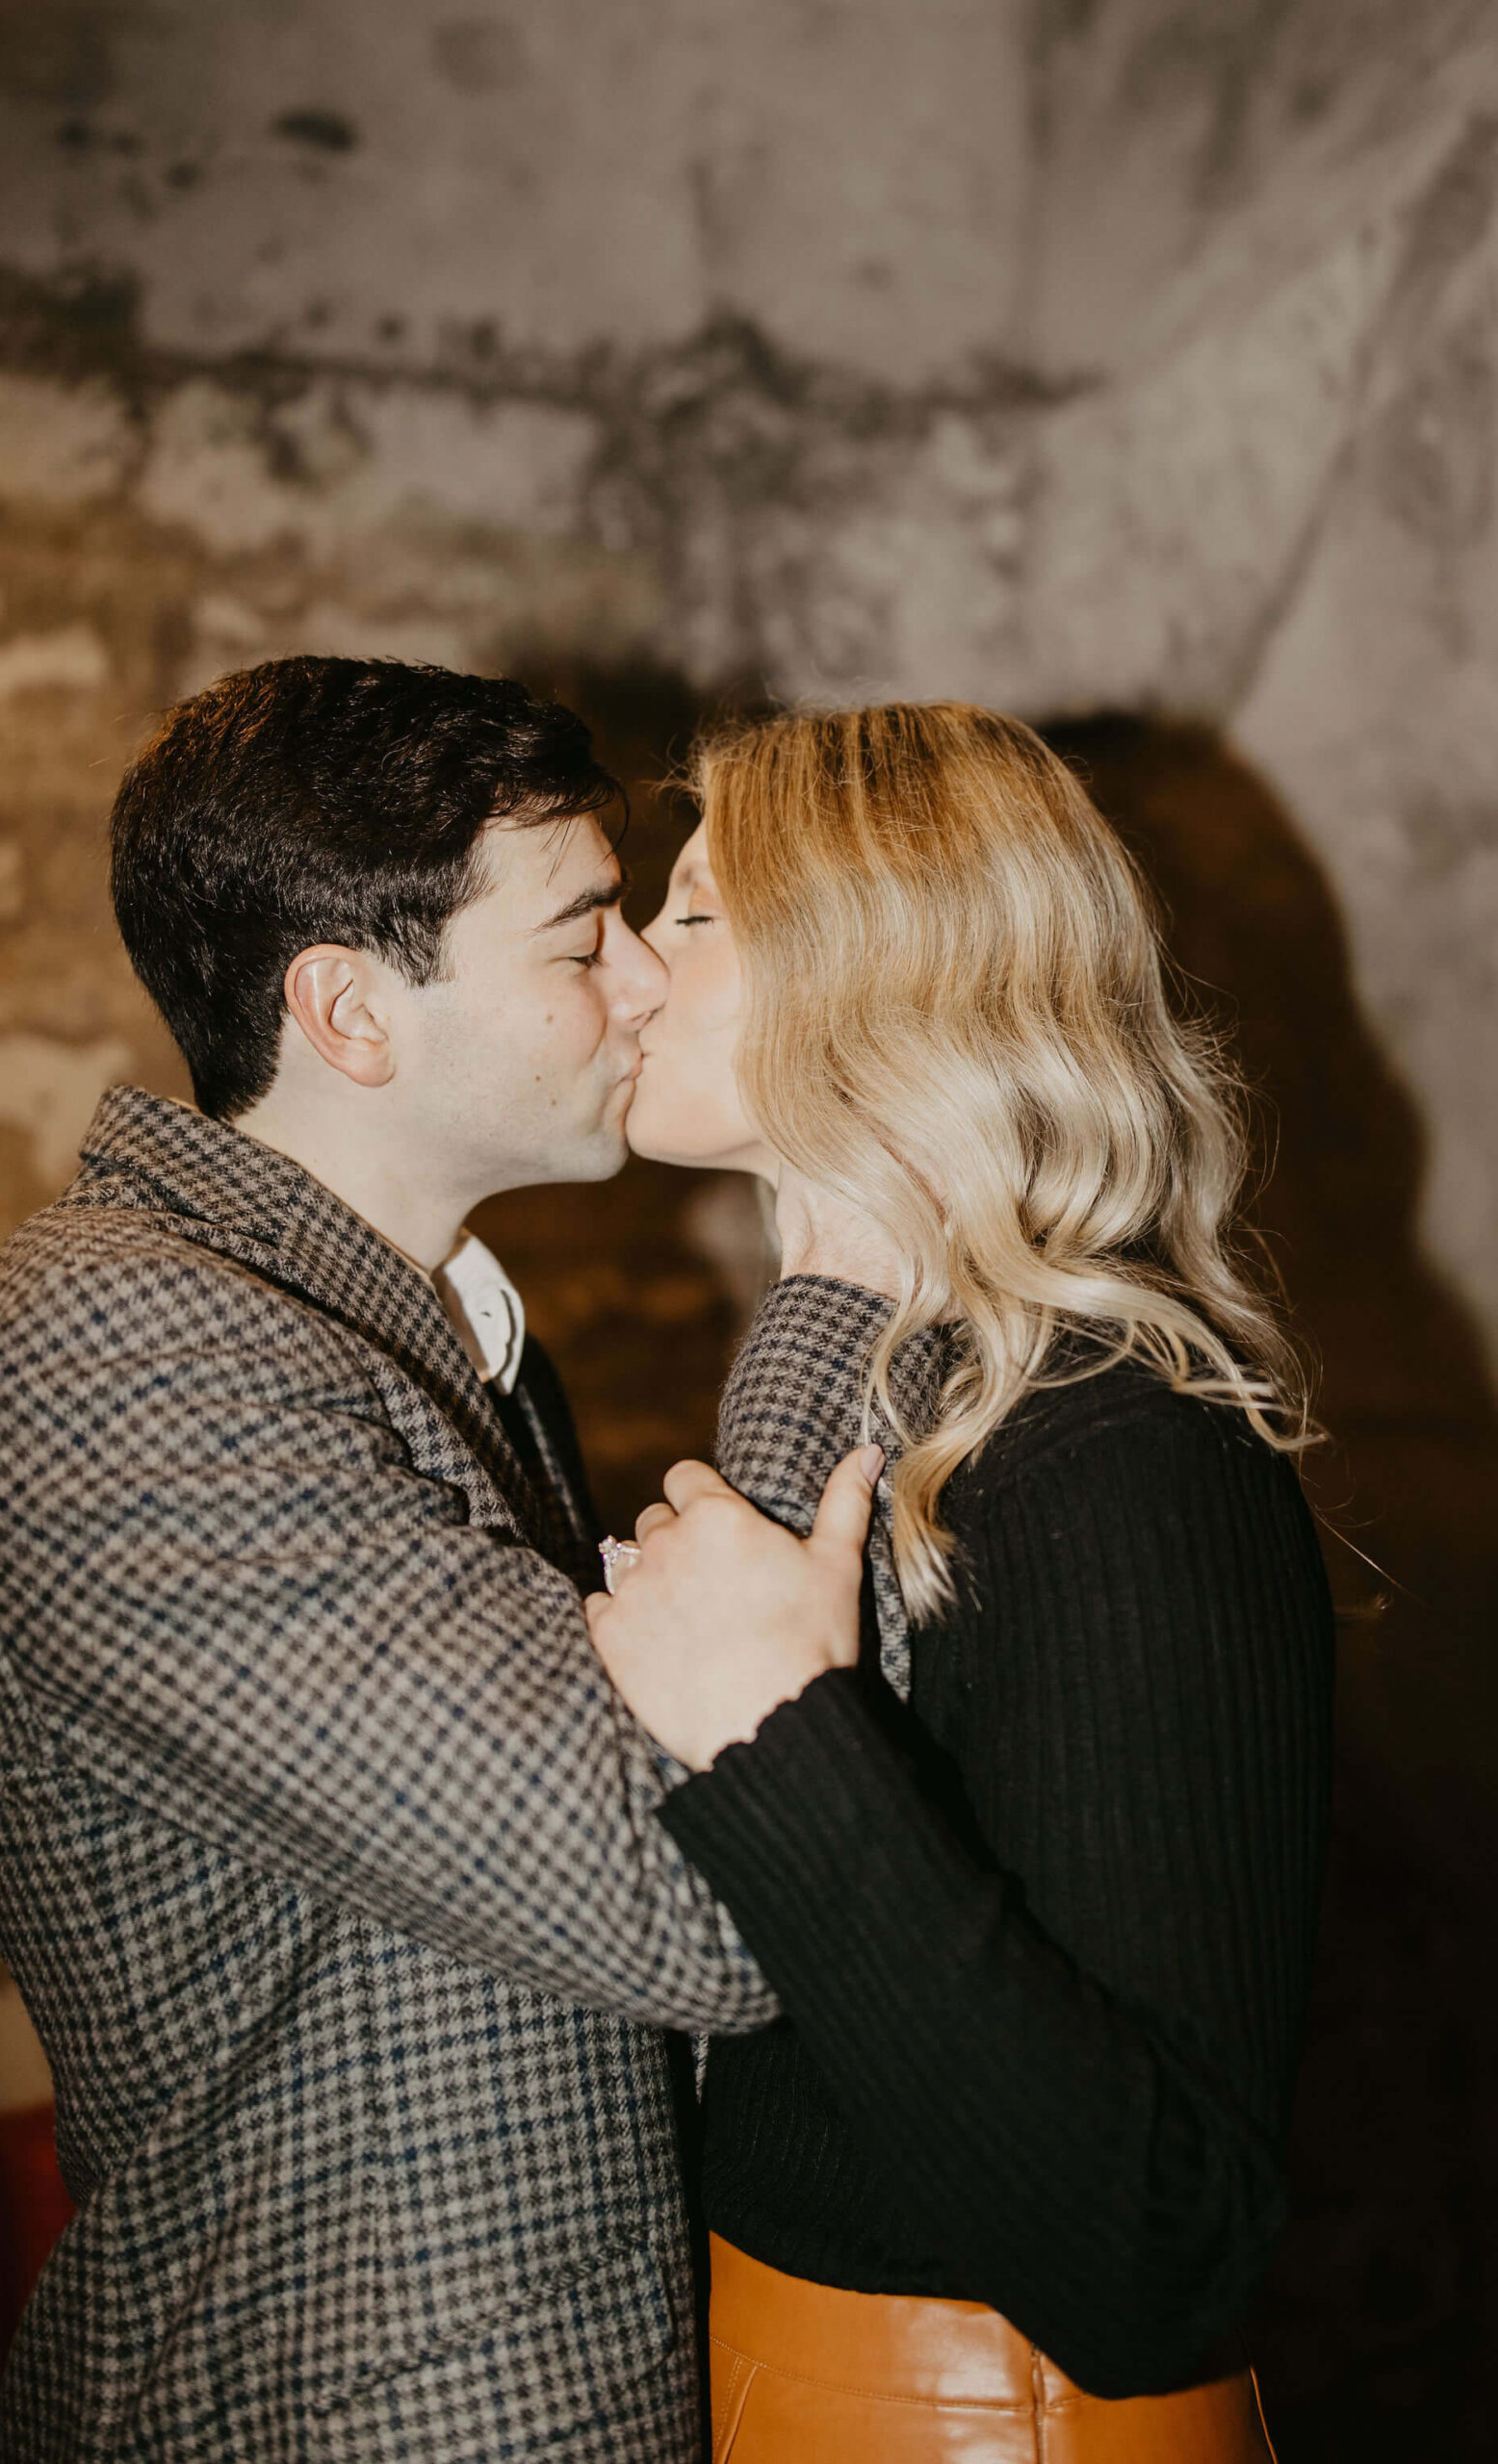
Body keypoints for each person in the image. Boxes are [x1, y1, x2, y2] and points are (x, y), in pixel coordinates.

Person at [0, 657, 883, 2464]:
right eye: (588, 937)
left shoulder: (399, 1334)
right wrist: (838, 1283)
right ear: (353, 1012)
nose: (652, 977)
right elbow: (717, 1889)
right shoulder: (122, 1354)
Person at [588, 701, 1333, 2462]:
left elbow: (1165, 2248)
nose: (625, 961)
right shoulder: (899, 1396)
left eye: (693, 912)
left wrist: (778, 1729)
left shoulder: (1117, 1443)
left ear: (883, 971)